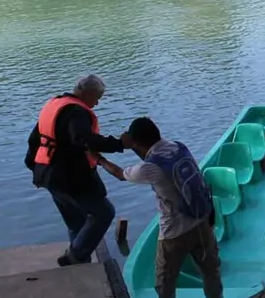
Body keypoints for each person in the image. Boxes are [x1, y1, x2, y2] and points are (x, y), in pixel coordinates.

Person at [98, 117, 223, 298]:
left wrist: (100, 159)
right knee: (211, 273)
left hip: (174, 232)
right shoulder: (178, 147)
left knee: (164, 283)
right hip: (201, 220)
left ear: (136, 141)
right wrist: (134, 144)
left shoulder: (148, 168)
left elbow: (119, 174)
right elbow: (148, 154)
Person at [24, 75, 129, 266]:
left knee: (76, 220)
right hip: (69, 176)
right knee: (104, 212)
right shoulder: (76, 112)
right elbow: (84, 140)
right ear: (85, 93)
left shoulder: (55, 105)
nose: (96, 103)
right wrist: (119, 143)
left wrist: (36, 170)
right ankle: (76, 256)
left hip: (47, 174)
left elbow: (34, 140)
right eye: (97, 97)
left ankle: (78, 260)